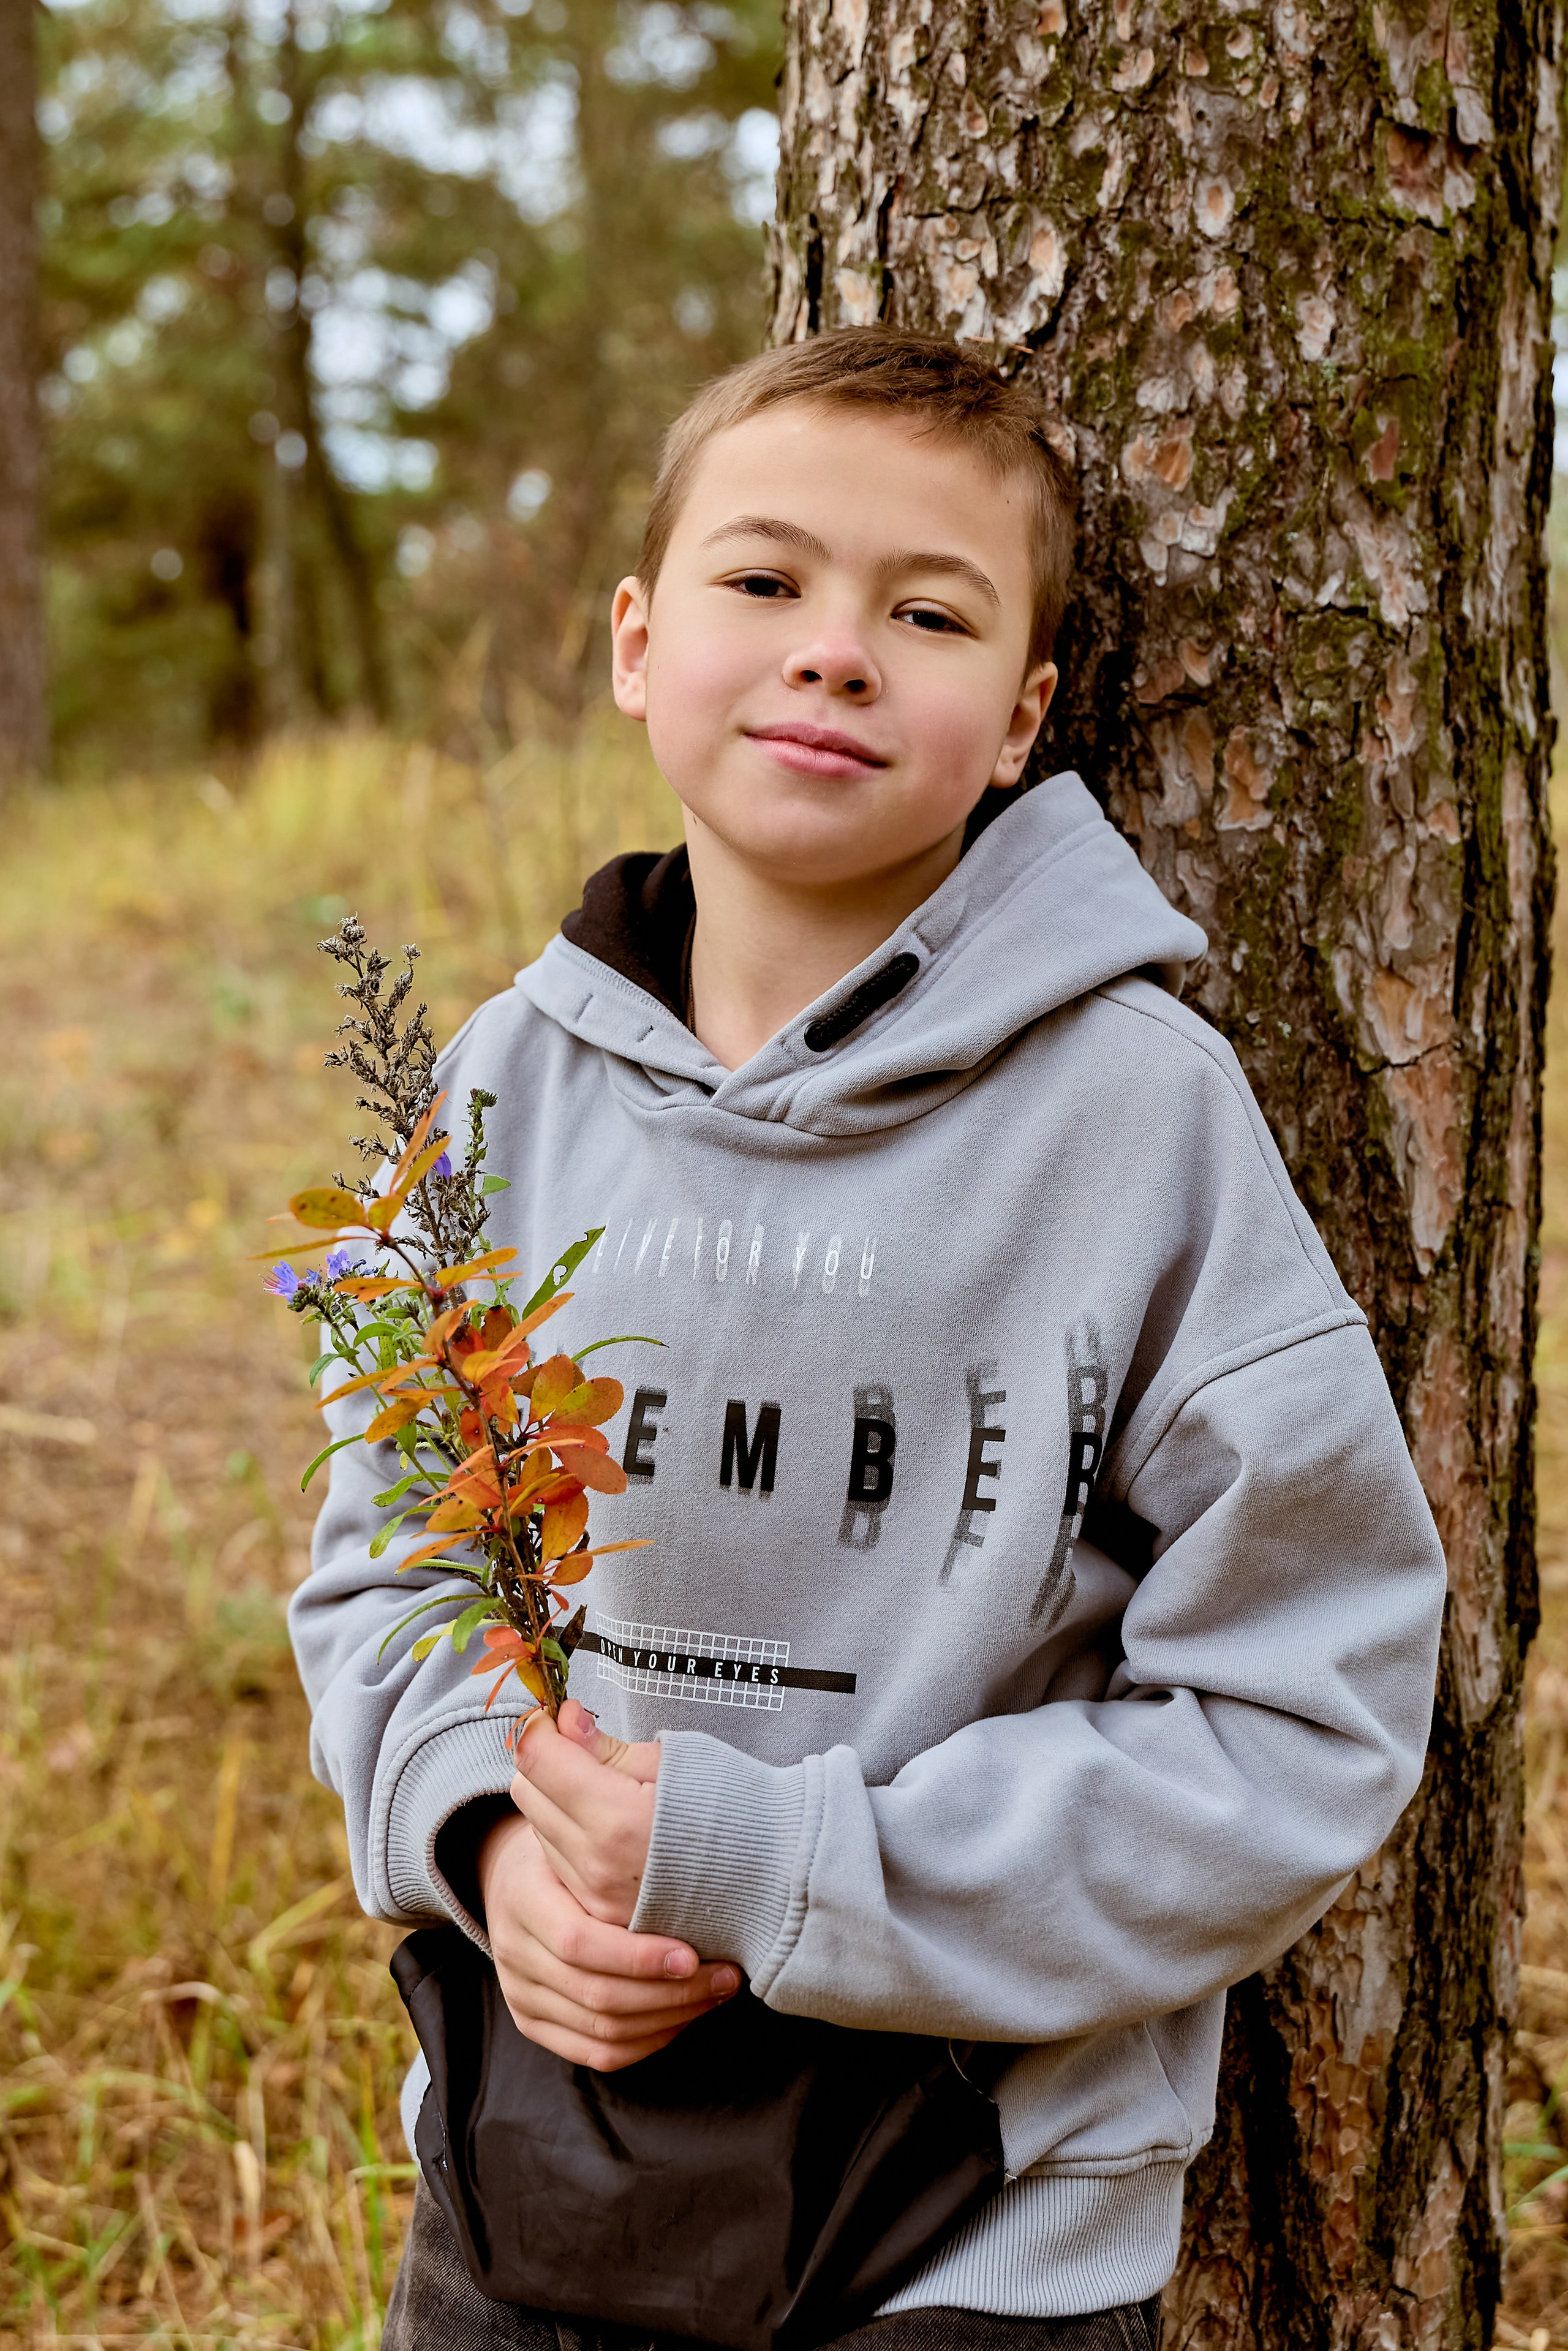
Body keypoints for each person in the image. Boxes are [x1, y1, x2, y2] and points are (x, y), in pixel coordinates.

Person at [288, 328, 1446, 2351]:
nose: (835, 650)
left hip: (964, 2227)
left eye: (925, 612)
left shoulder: (1133, 1119)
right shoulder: (489, 1094)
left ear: (1022, 717)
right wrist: (484, 1838)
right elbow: (392, 1555)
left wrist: (789, 1859)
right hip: (531, 2166)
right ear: (639, 641)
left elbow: (1307, 1703)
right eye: (767, 581)